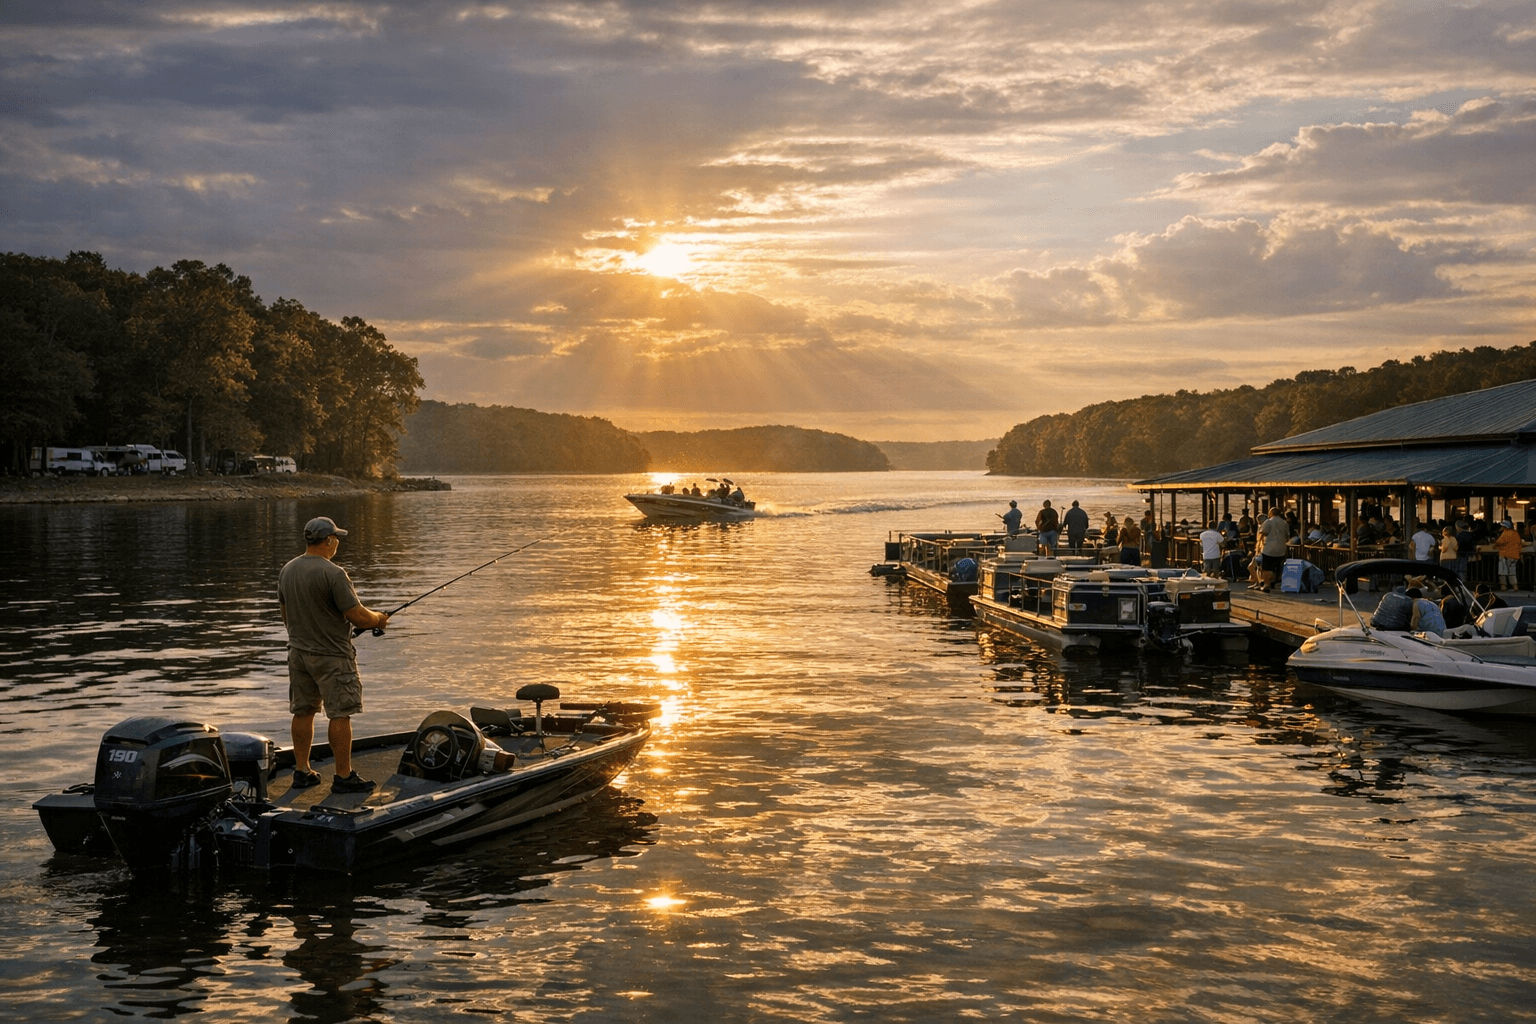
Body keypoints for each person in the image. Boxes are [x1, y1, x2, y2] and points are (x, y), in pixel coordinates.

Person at [278, 516, 391, 794]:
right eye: (336, 538)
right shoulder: (334, 573)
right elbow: (357, 616)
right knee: (340, 714)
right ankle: (343, 776)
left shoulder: (287, 570)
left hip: (298, 654)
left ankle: (302, 771)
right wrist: (379, 619)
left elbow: (286, 616)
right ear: (328, 541)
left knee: (303, 711)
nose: (337, 542)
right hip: (332, 657)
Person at [1255, 507, 1289, 592]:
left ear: (1271, 513)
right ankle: (1273, 581)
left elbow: (1263, 532)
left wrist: (1259, 544)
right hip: (1281, 549)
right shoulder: (1284, 523)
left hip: (1269, 548)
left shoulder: (1268, 522)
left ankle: (1267, 584)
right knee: (1277, 566)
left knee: (1267, 567)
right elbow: (1287, 535)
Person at [1495, 519, 1523, 591]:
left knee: (1503, 571)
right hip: (1515, 556)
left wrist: (1494, 545)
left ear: (1505, 527)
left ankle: (1503, 586)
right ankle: (1515, 586)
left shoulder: (1505, 533)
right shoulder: (1515, 533)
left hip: (1505, 555)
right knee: (1512, 572)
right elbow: (1520, 543)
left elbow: (1498, 542)